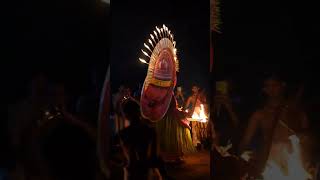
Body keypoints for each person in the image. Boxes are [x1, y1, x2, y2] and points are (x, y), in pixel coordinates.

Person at [238, 73, 309, 178]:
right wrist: (247, 159)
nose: (271, 90)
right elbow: (245, 143)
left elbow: (308, 139)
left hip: (294, 165)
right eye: (267, 86)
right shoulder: (260, 115)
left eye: (274, 85)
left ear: (283, 85)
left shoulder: (297, 112)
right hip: (270, 166)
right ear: (264, 90)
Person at [117, 99, 163, 180]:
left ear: (125, 115)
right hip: (147, 171)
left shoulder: (123, 133)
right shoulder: (150, 131)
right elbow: (155, 157)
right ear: (139, 112)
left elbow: (121, 157)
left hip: (131, 172)